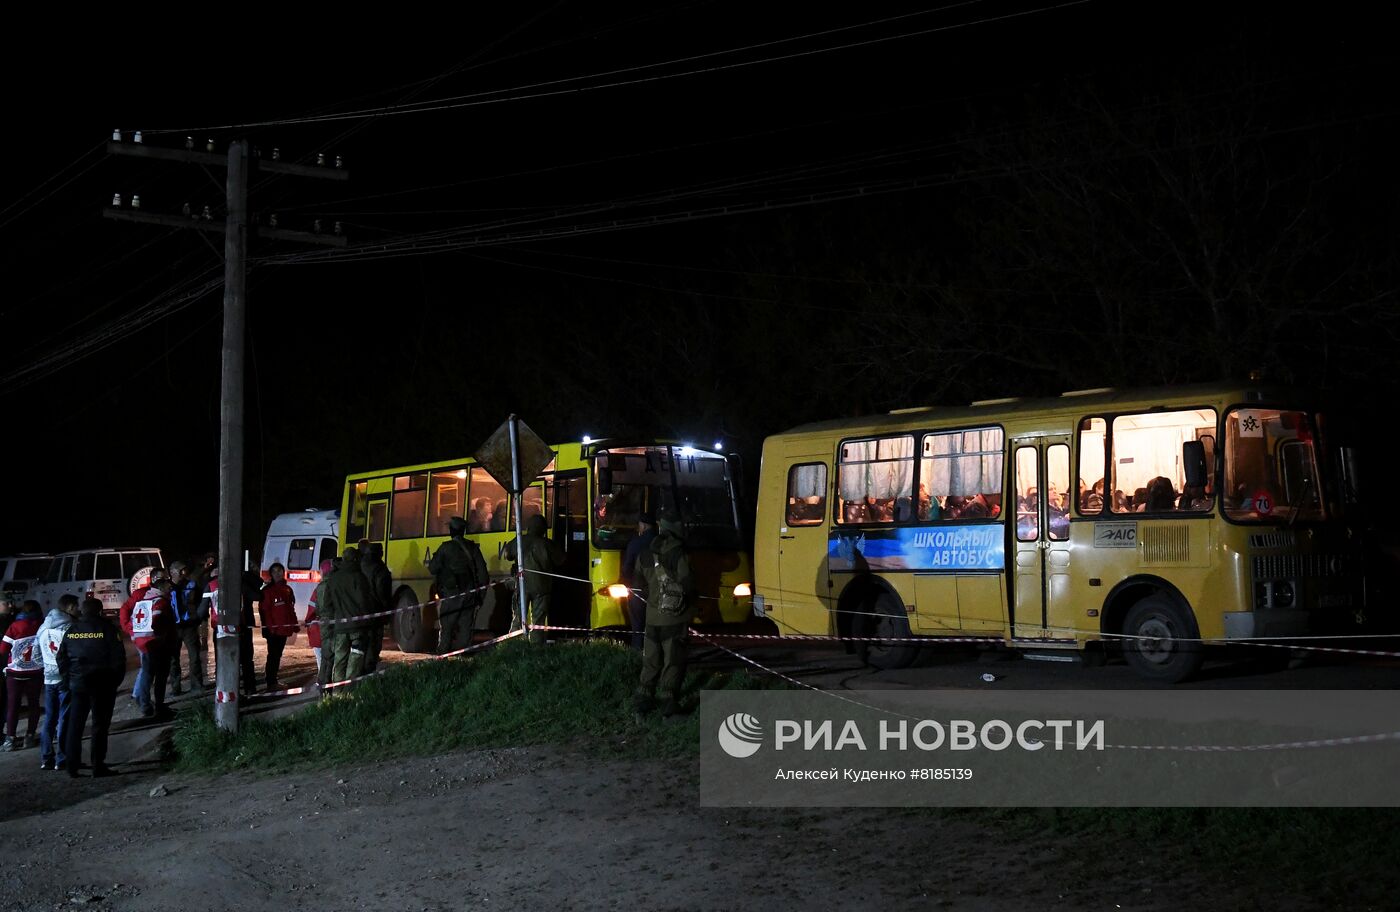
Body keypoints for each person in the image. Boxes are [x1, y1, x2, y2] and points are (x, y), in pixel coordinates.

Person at [632, 510, 694, 719]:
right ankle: (668, 701)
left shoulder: (646, 552)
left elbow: (638, 582)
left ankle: (643, 699)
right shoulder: (678, 552)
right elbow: (688, 584)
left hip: (652, 617)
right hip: (675, 618)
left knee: (651, 657)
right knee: (673, 659)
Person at [57, 597, 126, 778]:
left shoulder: (72, 630)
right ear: (100, 611)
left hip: (79, 685)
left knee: (75, 725)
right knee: (100, 726)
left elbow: (61, 658)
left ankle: (72, 766)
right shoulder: (108, 629)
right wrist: (115, 680)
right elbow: (119, 658)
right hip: (103, 684)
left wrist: (67, 680)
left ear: (82, 610)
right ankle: (98, 765)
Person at [429, 516, 489, 653]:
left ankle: (443, 657)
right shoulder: (473, 548)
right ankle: (461, 658)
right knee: (465, 628)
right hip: (469, 595)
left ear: (451, 531)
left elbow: (432, 568)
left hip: (451, 595)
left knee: (447, 628)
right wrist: (480, 596)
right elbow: (484, 575)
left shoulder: (445, 548)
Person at [504, 513, 565, 644]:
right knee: (538, 621)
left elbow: (507, 554)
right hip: (542, 587)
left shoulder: (519, 540)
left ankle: (513, 646)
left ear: (529, 527)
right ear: (543, 530)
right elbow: (560, 560)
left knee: (518, 618)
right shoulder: (547, 544)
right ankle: (536, 648)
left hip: (522, 585)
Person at [125, 575, 177, 719]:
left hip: (143, 644)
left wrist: (135, 637)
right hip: (159, 644)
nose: (170, 589)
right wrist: (170, 642)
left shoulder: (142, 602)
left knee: (147, 675)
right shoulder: (161, 603)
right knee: (160, 677)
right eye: (168, 587)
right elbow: (165, 625)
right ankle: (159, 706)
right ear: (160, 589)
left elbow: (132, 622)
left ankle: (145, 705)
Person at [37, 594, 77, 770]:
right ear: (69, 608)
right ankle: (62, 759)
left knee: (49, 719)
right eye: (76, 606)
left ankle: (46, 758)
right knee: (64, 719)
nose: (78, 609)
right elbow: (73, 655)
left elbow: (36, 652)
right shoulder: (70, 628)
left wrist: (46, 667)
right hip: (64, 678)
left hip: (48, 678)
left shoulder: (42, 628)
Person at [322, 547, 374, 683]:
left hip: (340, 628)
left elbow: (327, 604)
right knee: (355, 660)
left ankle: (338, 693)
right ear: (356, 559)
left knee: (339, 661)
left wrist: (331, 623)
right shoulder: (359, 577)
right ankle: (348, 694)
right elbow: (364, 602)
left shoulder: (333, 578)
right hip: (357, 628)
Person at [1, 599, 45, 750]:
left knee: (13, 706)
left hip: (15, 673)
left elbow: (3, 649)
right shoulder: (42, 625)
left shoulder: (15, 626)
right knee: (34, 704)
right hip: (35, 671)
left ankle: (10, 739)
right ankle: (30, 737)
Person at [620, 511, 658, 651]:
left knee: (638, 626)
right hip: (659, 591)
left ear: (643, 525)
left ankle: (637, 654)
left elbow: (626, 569)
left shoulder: (636, 544)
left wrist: (629, 585)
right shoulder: (663, 543)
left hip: (639, 591)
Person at [257, 562, 298, 692]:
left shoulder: (287, 589)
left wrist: (294, 624)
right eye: (274, 571)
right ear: (271, 574)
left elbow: (290, 609)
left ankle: (272, 679)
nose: (277, 573)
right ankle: (271, 682)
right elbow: (265, 612)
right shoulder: (267, 591)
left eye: (279, 570)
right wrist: (270, 629)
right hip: (273, 631)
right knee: (273, 656)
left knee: (277, 655)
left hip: (283, 630)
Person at [167, 561, 206, 695]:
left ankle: (197, 685)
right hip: (173, 628)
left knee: (194, 657)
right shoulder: (167, 587)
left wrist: (198, 617)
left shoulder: (192, 585)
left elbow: (201, 602)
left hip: (189, 626)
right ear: (173, 572)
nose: (184, 573)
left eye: (184, 570)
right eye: (181, 570)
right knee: (173, 659)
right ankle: (176, 688)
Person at [359, 543, 391, 673]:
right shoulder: (380, 569)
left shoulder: (360, 566)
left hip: (360, 611)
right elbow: (383, 592)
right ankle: (368, 671)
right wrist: (386, 609)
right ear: (379, 553)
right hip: (375, 612)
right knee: (373, 643)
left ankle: (360, 669)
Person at [307, 559, 333, 686]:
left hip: (319, 630)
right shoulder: (337, 586)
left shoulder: (319, 588)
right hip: (335, 628)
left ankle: (323, 686)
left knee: (321, 660)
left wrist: (308, 622)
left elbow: (312, 609)